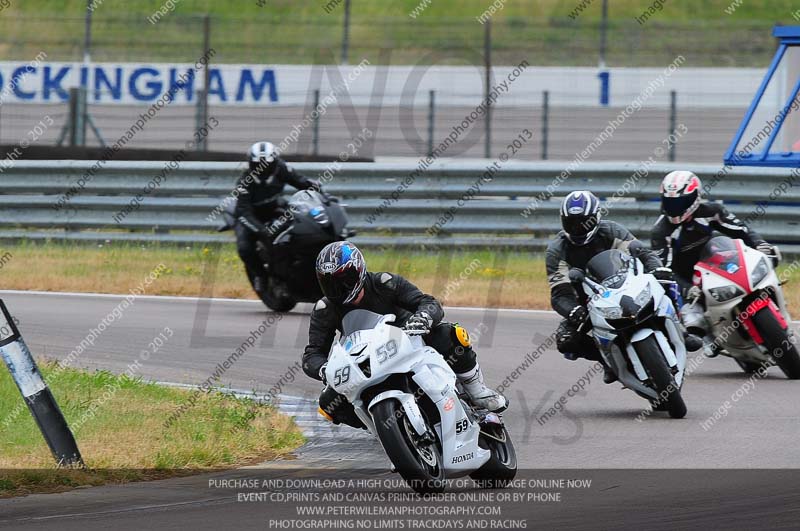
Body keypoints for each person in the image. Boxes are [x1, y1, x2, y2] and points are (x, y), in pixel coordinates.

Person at [302, 241, 507, 429]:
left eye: (343, 280)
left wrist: (423, 318)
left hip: (407, 342)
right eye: (329, 283)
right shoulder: (324, 309)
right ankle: (381, 427)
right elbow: (312, 354)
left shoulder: (385, 283)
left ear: (358, 272)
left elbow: (428, 302)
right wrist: (325, 369)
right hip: (365, 361)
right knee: (327, 404)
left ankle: (476, 391)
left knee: (451, 334)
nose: (337, 289)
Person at [546, 190, 693, 384]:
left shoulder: (611, 231)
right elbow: (559, 294)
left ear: (596, 217)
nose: (577, 228)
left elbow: (642, 252)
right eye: (571, 222)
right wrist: (574, 310)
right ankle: (607, 361)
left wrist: (657, 269)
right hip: (588, 300)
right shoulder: (557, 250)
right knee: (566, 341)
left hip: (625, 284)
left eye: (582, 222)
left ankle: (681, 330)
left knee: (667, 281)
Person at [651, 170, 780, 355]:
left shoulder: (711, 211)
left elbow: (742, 231)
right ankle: (709, 337)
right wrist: (686, 289)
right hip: (687, 279)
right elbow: (666, 270)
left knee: (766, 263)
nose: (675, 207)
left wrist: (761, 245)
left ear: (695, 197)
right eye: (670, 202)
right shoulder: (661, 232)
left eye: (680, 202)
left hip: (714, 263)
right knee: (693, 321)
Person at [234, 141, 318, 297]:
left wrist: (316, 189)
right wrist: (261, 230)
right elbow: (244, 212)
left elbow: (301, 182)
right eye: (258, 164)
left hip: (274, 209)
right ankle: (261, 275)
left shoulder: (281, 168)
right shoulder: (244, 182)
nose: (263, 168)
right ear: (251, 163)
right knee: (244, 248)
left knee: (297, 229)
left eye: (267, 163)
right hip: (249, 216)